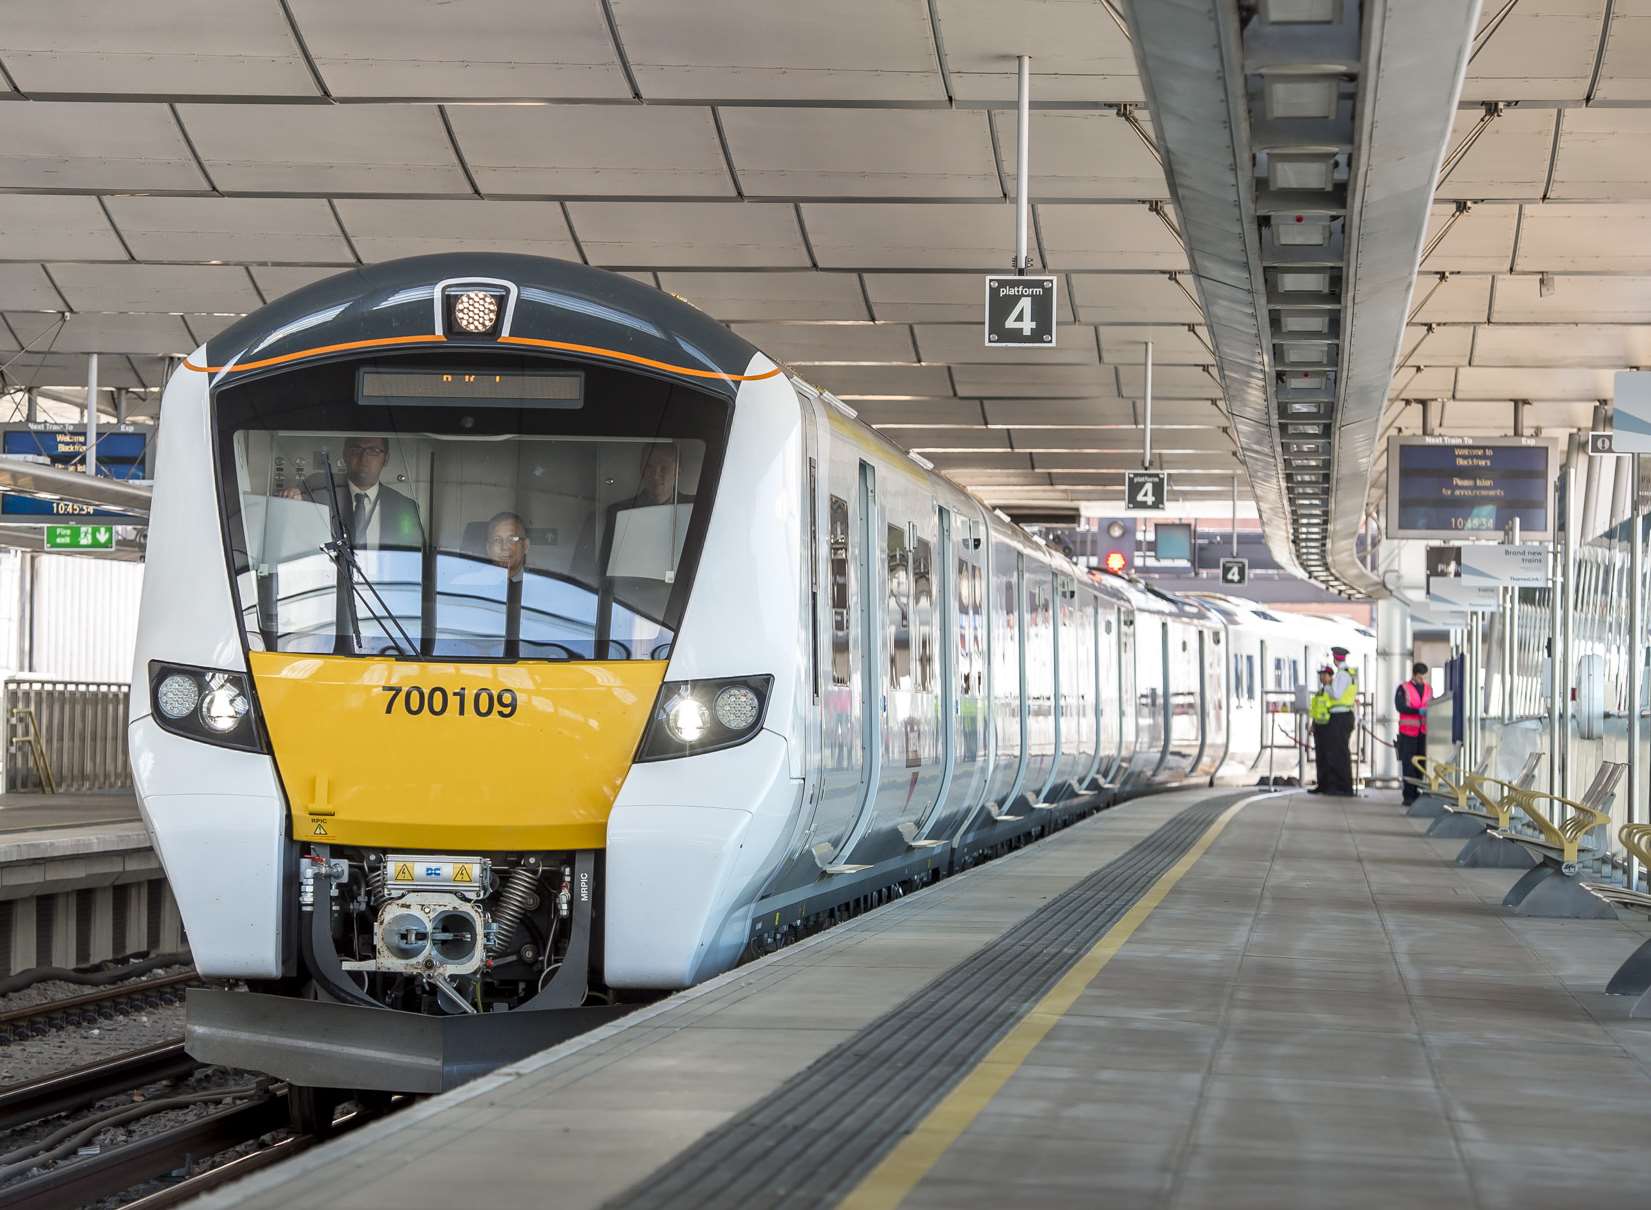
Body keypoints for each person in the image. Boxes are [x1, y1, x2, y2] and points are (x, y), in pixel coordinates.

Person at [572, 442, 693, 582]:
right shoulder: (615, 514)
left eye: (664, 467)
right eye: (649, 467)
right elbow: (595, 572)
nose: (655, 474)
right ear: (641, 470)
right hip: (626, 596)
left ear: (678, 471)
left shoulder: (695, 509)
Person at [279, 435, 422, 549]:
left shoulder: (405, 508)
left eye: (373, 451)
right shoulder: (317, 490)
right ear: (345, 454)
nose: (364, 458)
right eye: (356, 449)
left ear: (386, 459)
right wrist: (291, 501)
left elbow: (415, 560)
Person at [1321, 645, 1359, 795]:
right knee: (1341, 752)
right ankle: (1342, 786)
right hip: (1345, 716)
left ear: (1335, 659)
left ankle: (1343, 787)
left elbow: (1336, 694)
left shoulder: (1342, 675)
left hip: (1340, 716)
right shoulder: (1349, 674)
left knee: (1339, 753)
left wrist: (1327, 686)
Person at [1395, 661, 1433, 804]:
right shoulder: (1403, 688)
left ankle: (1418, 793)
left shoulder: (1429, 689)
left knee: (1421, 765)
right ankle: (1408, 795)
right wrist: (1418, 711)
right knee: (1408, 764)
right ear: (1414, 675)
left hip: (1423, 733)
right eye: (1420, 677)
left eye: (1424, 677)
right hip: (1408, 732)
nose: (1422, 680)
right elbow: (1400, 707)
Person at [1307, 665, 1334, 794]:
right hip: (1319, 727)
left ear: (1330, 676)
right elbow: (1316, 711)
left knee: (1329, 757)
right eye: (1320, 675)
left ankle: (1329, 785)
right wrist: (1313, 724)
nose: (1322, 677)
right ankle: (1321, 784)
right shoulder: (1320, 692)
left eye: (1324, 675)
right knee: (1320, 758)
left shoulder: (1333, 691)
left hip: (1329, 728)